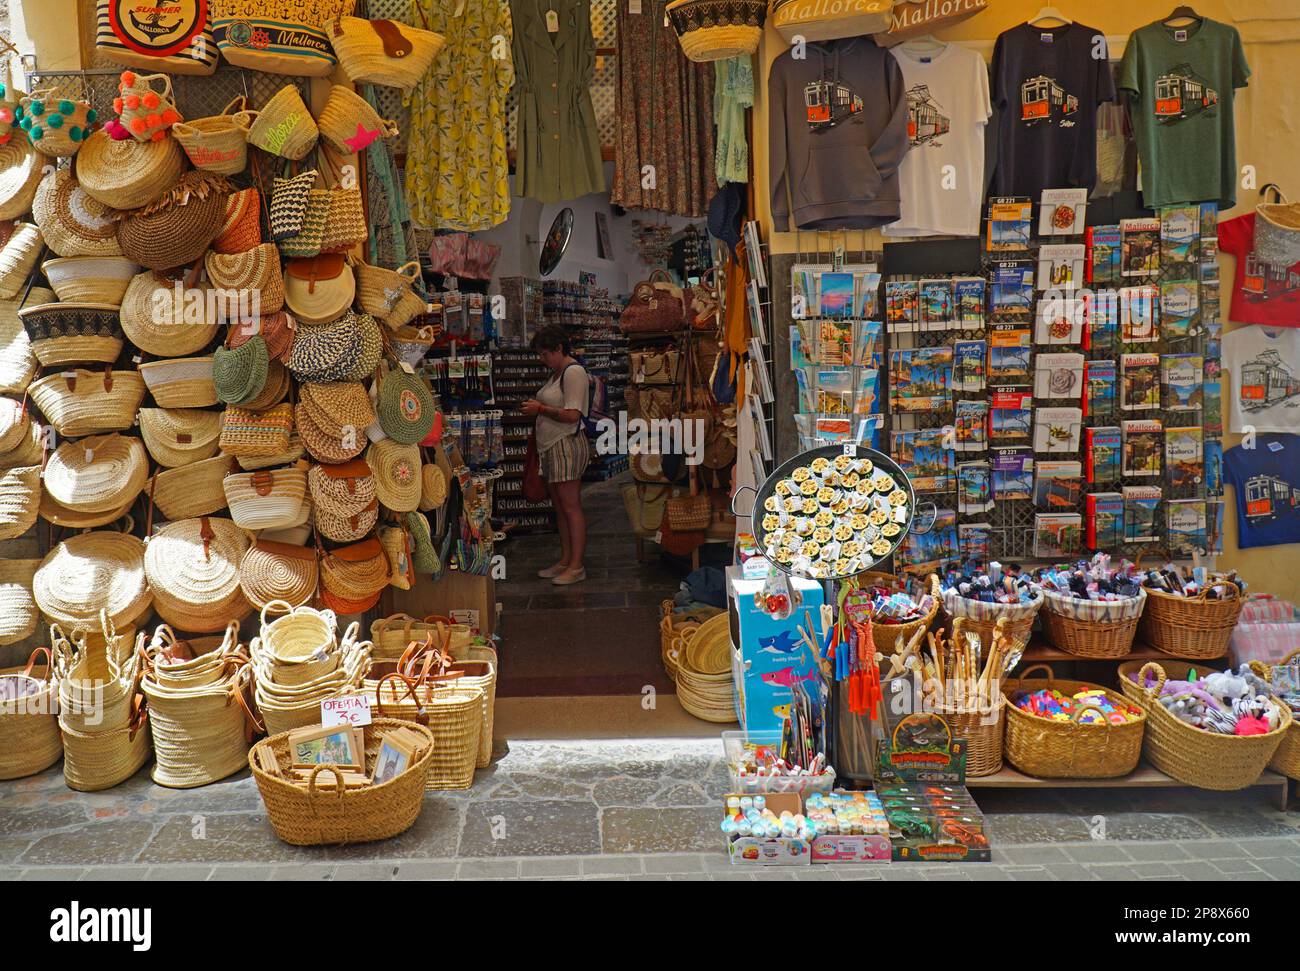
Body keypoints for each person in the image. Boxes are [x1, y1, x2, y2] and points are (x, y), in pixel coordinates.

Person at [521, 325, 590, 585]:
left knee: (570, 506)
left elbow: (573, 414)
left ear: (559, 349)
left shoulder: (573, 373)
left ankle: (576, 565)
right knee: (560, 507)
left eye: (545, 353)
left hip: (566, 444)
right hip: (552, 445)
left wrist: (540, 408)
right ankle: (565, 560)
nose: (542, 359)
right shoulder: (557, 373)